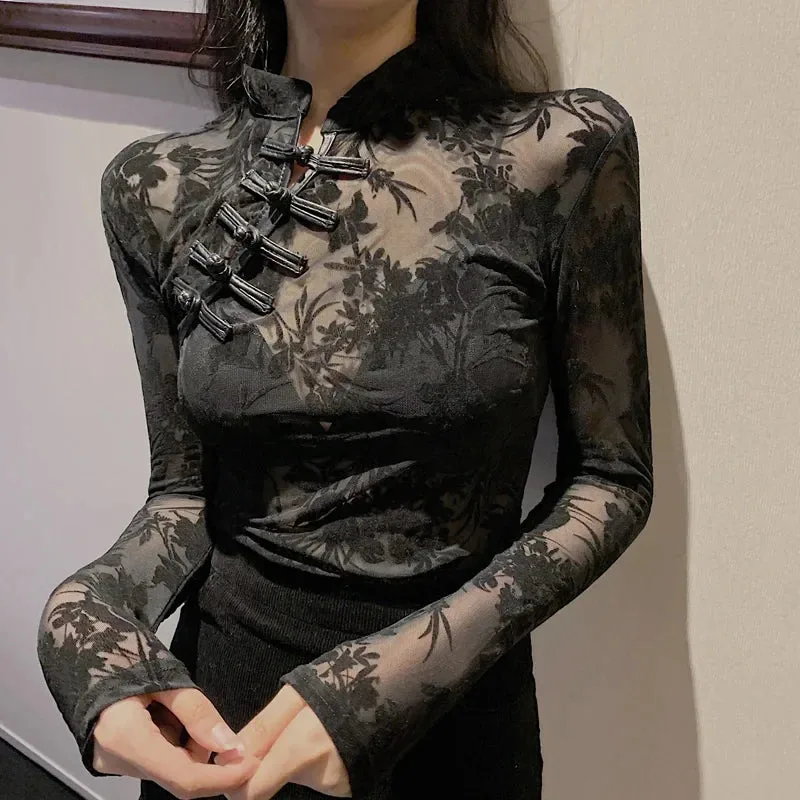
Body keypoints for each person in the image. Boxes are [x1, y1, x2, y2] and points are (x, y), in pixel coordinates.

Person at [36, 0, 654, 798]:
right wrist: (81, 612)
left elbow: (612, 480)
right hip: (223, 726)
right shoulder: (154, 186)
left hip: (453, 726)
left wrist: (383, 685)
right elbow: (182, 497)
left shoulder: (561, 151)